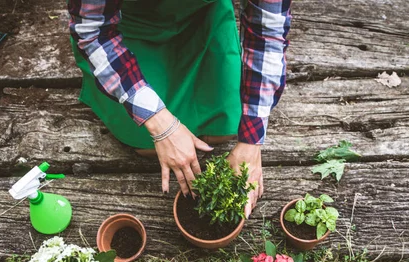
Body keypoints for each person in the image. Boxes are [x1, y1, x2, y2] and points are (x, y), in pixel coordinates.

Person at [68, 0, 291, 218]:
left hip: (203, 18)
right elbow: (92, 32)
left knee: (226, 128)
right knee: (146, 145)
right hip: (129, 29)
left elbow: (267, 34)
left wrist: (252, 143)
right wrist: (160, 124)